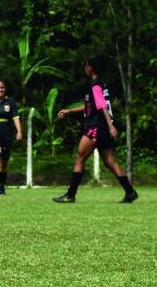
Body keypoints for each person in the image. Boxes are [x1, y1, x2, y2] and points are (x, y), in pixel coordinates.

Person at [53, 55, 138, 204]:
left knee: (80, 158)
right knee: (110, 161)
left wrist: (111, 126)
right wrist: (69, 111)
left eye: (86, 65)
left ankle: (70, 195)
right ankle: (130, 192)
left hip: (96, 128)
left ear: (90, 67)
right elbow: (91, 106)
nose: (85, 68)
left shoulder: (95, 86)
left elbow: (102, 106)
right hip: (103, 128)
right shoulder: (101, 84)